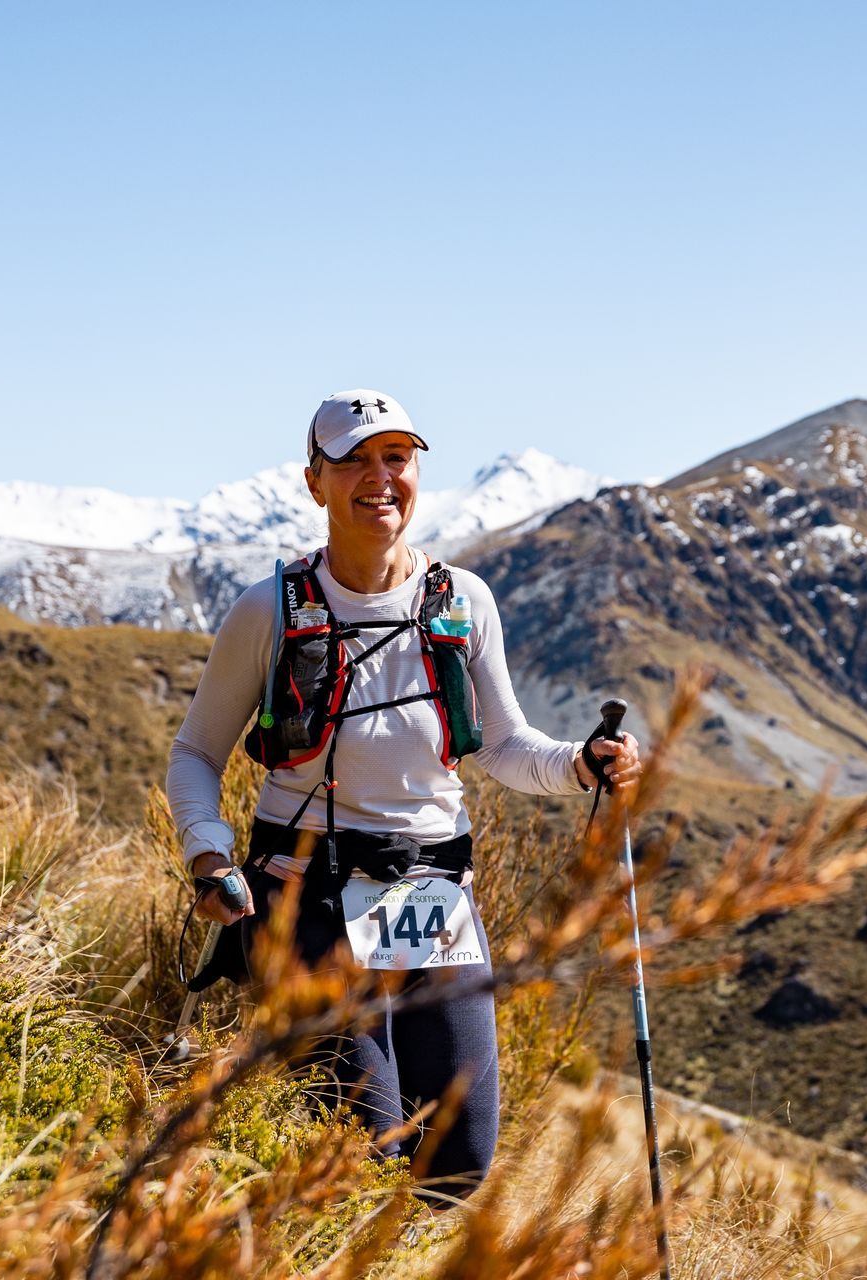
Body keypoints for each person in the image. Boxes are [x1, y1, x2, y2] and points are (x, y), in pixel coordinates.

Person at [166, 389, 640, 1198]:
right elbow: (195, 753)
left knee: (457, 1164)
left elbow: (504, 745)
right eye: (352, 460)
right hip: (303, 896)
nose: (378, 477)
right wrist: (209, 856)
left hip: (432, 894)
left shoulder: (461, 602)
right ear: (315, 482)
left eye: (396, 457)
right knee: (363, 1151)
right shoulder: (270, 608)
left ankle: (398, 1246)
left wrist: (580, 765)